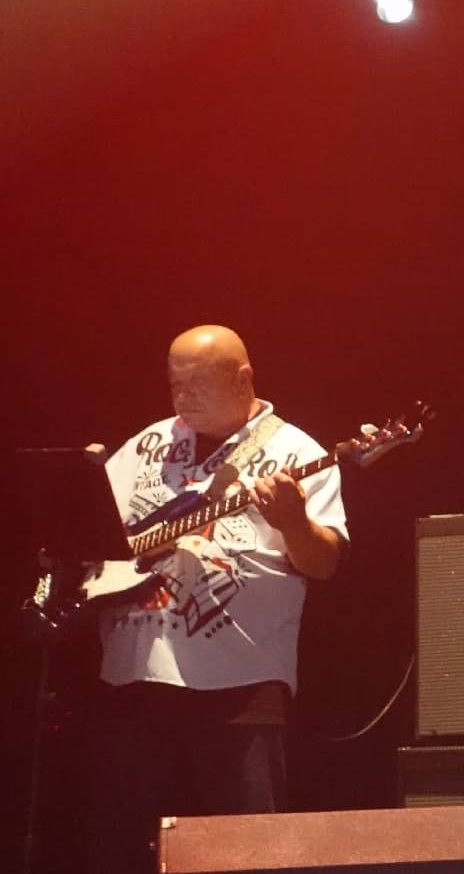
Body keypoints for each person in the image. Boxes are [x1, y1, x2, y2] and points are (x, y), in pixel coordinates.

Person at [86, 324, 348, 874]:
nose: (184, 395)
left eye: (199, 381)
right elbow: (91, 534)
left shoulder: (295, 451)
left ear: (243, 377)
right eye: (175, 383)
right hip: (138, 673)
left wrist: (293, 520)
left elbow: (323, 563)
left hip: (242, 680)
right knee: (124, 844)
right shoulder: (147, 443)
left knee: (246, 847)